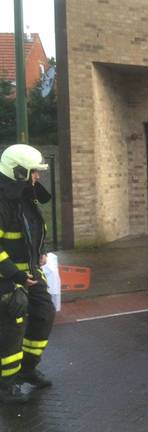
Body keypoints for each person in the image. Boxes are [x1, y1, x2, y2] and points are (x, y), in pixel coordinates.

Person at [0, 144, 56, 404]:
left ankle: (28, 370)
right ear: (19, 171)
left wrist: (41, 250)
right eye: (34, 172)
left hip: (31, 273)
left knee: (44, 314)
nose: (38, 177)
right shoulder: (2, 200)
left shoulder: (26, 195)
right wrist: (16, 276)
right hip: (7, 278)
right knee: (13, 321)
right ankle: (6, 381)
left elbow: (34, 228)